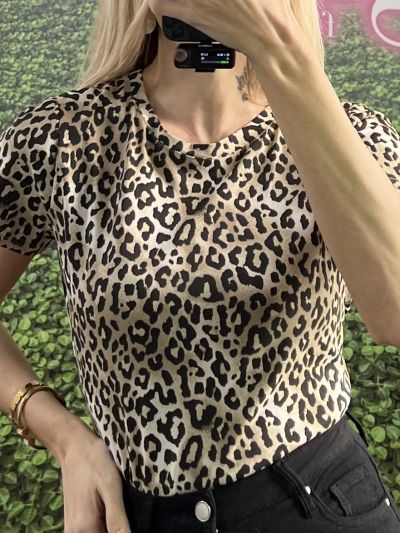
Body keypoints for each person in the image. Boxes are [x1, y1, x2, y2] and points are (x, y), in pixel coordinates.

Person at [1, 1, 400, 532]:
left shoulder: (352, 135)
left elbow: (394, 315)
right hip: (137, 513)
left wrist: (283, 56)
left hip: (315, 499)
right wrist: (63, 436)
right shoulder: (62, 140)